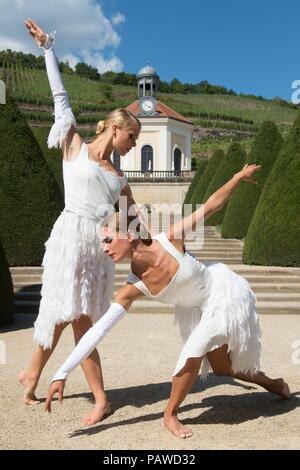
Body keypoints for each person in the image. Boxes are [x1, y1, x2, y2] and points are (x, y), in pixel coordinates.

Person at [44, 163, 291, 438]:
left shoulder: (171, 238)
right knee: (223, 369)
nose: (104, 248)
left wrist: (238, 176)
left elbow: (211, 207)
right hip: (197, 308)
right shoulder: (131, 288)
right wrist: (61, 372)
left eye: (108, 240)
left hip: (223, 293)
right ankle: (273, 383)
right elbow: (98, 330)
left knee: (192, 351)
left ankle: (169, 414)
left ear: (128, 235)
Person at [19, 18, 141, 426]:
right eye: (133, 137)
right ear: (116, 127)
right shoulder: (75, 145)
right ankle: (100, 398)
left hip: (97, 248)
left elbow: (134, 219)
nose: (134, 145)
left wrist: (166, 250)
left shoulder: (120, 178)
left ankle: (32, 375)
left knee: (66, 312)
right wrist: (48, 50)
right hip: (70, 236)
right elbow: (60, 97)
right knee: (76, 318)